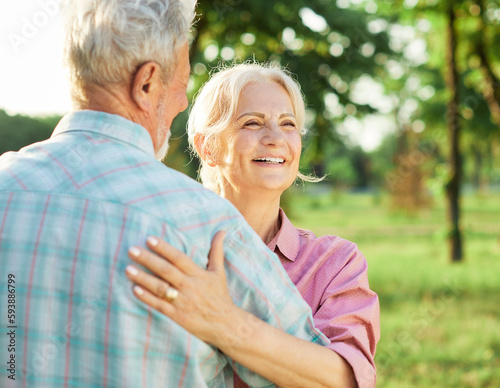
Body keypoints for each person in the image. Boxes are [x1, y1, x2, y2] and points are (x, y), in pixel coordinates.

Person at [0, 2, 330, 387]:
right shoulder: (207, 225)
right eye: (180, 82)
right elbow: (325, 380)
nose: (182, 102)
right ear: (146, 83)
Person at [124, 63, 380, 388]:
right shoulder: (167, 248)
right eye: (252, 123)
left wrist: (223, 323)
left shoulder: (334, 263)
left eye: (288, 124)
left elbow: (345, 380)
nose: (275, 138)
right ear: (208, 147)